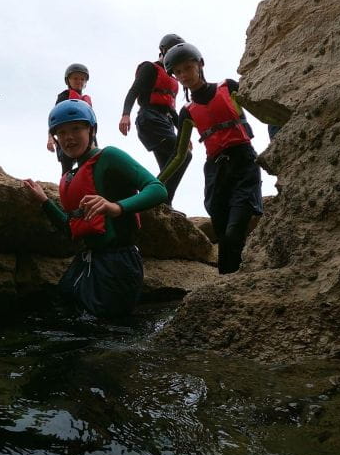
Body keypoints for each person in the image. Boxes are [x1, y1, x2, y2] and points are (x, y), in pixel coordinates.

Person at [23, 100, 168, 317]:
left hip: (119, 263)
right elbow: (71, 229)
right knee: (62, 315)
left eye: (76, 128)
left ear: (91, 129)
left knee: (103, 332)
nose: (68, 137)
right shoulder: (70, 176)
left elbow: (158, 189)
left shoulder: (109, 157)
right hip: (87, 261)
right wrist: (45, 202)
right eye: (61, 133)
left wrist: (116, 207)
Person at [163, 42, 263, 274]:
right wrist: (158, 182)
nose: (183, 75)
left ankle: (231, 280)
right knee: (221, 229)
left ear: (199, 65)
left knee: (234, 230)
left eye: (188, 68)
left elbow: (262, 110)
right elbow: (179, 155)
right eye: (177, 72)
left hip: (244, 163)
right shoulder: (186, 112)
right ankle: (228, 281)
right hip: (216, 172)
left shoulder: (228, 87)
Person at [118, 33, 191, 205]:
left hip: (164, 121)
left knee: (170, 167)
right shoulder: (150, 68)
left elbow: (171, 110)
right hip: (149, 118)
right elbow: (134, 90)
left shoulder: (172, 79)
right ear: (163, 51)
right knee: (183, 156)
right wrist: (125, 114)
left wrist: (183, 134)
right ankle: (150, 195)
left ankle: (163, 204)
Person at [46, 63, 93, 174]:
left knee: (88, 167)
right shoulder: (64, 96)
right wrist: (50, 138)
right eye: (75, 78)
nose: (79, 81)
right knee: (66, 169)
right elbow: (55, 117)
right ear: (68, 80)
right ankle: (65, 189)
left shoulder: (86, 101)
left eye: (82, 79)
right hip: (67, 137)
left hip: (84, 138)